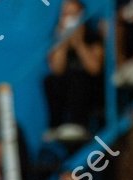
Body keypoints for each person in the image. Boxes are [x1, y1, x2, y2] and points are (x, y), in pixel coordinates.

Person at [44, 0, 104, 139]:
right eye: (65, 14)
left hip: (91, 88)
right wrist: (63, 41)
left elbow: (94, 69)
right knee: (50, 80)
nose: (68, 18)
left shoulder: (92, 37)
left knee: (78, 77)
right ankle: (55, 126)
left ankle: (78, 123)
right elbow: (57, 69)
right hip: (66, 89)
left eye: (72, 14)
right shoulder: (57, 39)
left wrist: (79, 43)